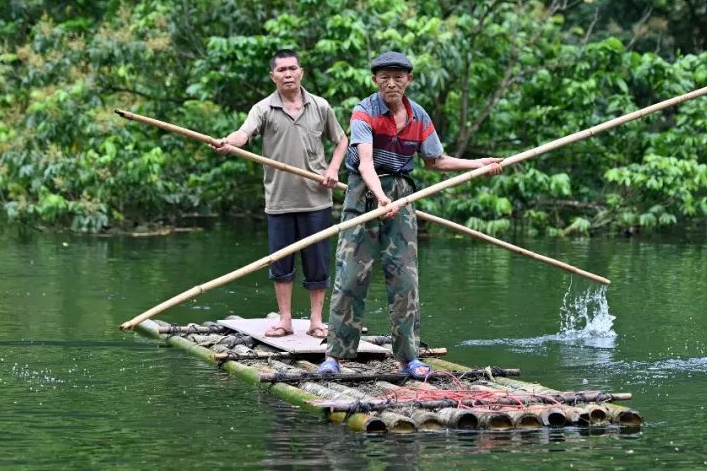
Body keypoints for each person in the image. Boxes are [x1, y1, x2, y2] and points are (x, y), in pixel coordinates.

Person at [319, 51, 503, 379]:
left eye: (398, 77)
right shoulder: (364, 112)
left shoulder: (419, 116)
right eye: (385, 77)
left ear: (409, 80)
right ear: (375, 80)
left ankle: (408, 358)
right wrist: (379, 198)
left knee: (405, 278)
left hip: (403, 195)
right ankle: (335, 356)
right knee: (350, 277)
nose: (392, 83)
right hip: (364, 192)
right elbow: (364, 163)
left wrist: (479, 164)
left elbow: (436, 160)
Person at [211, 49, 348, 339]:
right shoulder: (263, 109)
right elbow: (244, 133)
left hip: (316, 200)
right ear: (273, 75)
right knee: (281, 265)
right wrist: (228, 142)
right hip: (279, 202)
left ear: (302, 72)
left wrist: (333, 170)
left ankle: (316, 321)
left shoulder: (321, 106)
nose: (288, 74)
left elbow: (341, 140)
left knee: (317, 262)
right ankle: (284, 320)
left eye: (292, 69)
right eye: (282, 70)